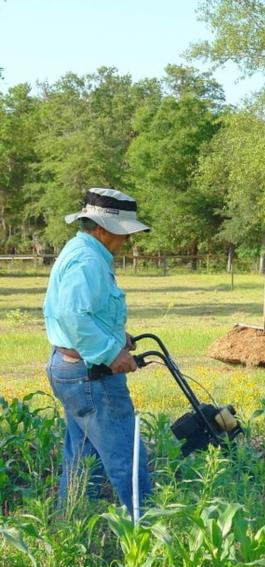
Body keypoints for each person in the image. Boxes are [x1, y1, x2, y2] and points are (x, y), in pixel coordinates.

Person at [43, 188, 152, 514]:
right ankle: (146, 530)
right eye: (124, 234)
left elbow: (84, 311)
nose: (127, 241)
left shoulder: (79, 250)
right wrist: (111, 352)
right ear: (103, 229)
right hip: (91, 376)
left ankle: (70, 528)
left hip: (72, 370)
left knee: (81, 459)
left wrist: (117, 336)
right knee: (127, 457)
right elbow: (72, 314)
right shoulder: (89, 260)